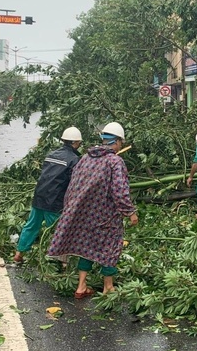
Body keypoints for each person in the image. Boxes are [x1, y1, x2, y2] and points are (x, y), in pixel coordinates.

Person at [47, 122, 138, 297]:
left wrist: (70, 209)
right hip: (105, 215)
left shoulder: (85, 158)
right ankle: (108, 286)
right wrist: (130, 212)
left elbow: (73, 185)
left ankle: (81, 286)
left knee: (86, 247)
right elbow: (119, 191)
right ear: (117, 141)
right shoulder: (115, 161)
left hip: (83, 214)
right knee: (110, 247)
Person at [13, 127, 83, 264]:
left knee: (32, 225)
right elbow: (73, 183)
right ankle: (63, 262)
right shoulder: (75, 159)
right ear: (75, 143)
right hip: (55, 201)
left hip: (39, 196)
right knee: (59, 230)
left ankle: (19, 253)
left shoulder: (51, 154)